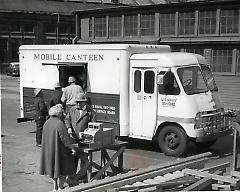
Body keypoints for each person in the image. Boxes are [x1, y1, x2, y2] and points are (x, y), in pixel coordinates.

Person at [39, 104, 76, 191]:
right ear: (59, 114)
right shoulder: (59, 124)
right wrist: (72, 149)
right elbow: (65, 140)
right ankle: (60, 187)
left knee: (53, 170)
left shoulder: (46, 123)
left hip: (49, 151)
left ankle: (55, 187)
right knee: (64, 171)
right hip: (60, 152)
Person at [65, 93, 96, 184]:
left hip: (84, 139)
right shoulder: (72, 109)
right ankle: (72, 177)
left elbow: (94, 126)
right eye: (77, 102)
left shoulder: (90, 112)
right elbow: (67, 119)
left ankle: (82, 177)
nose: (78, 104)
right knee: (72, 158)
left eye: (80, 103)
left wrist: (86, 132)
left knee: (84, 159)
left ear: (85, 102)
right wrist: (69, 128)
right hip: (73, 138)